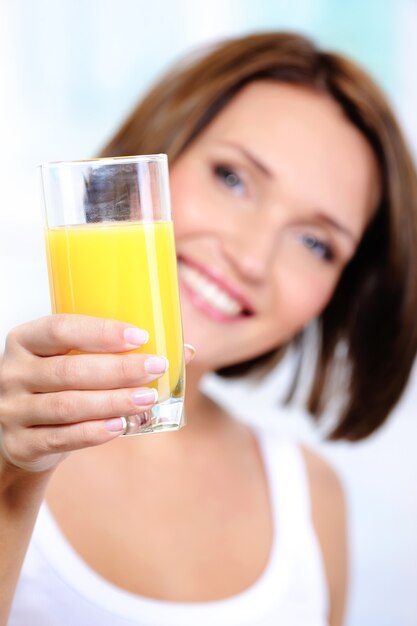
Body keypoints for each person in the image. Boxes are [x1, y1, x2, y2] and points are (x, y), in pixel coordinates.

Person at [1, 32, 417, 626]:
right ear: (154, 158)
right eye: (232, 178)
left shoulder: (312, 503)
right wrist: (10, 481)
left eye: (313, 241)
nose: (251, 257)